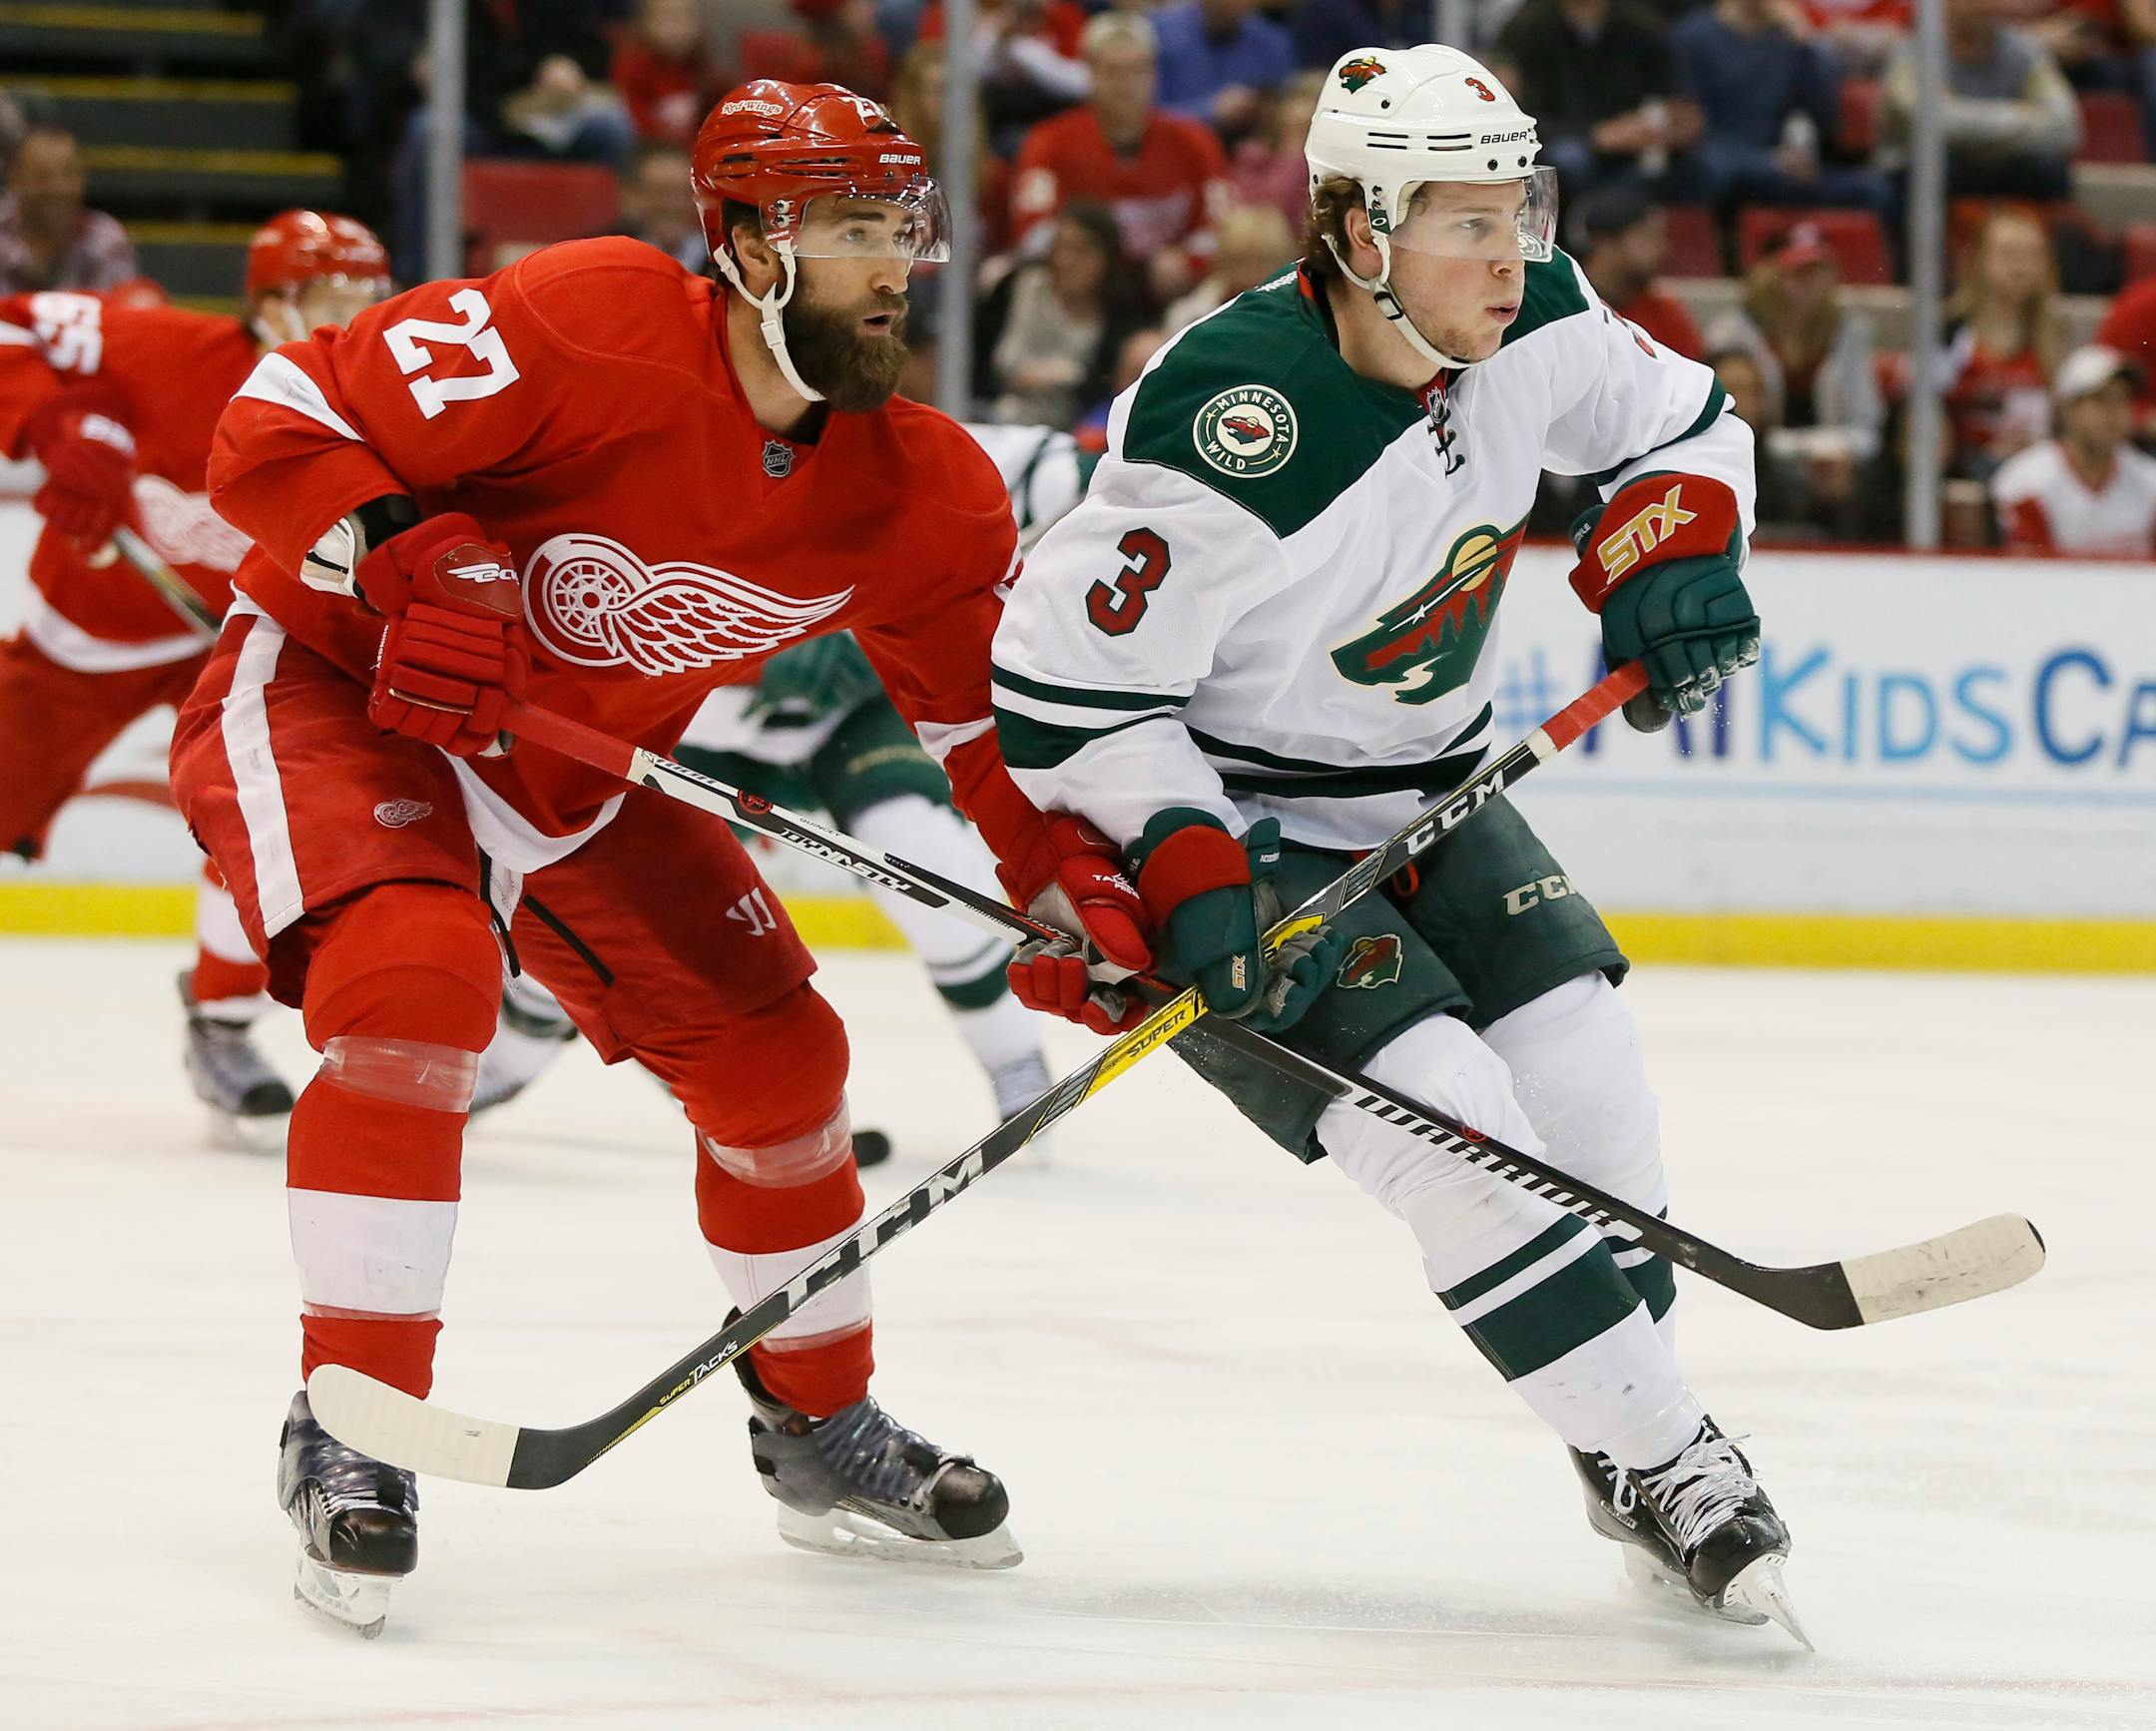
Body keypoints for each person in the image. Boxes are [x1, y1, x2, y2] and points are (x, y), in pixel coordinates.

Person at [172, 82, 1149, 1636]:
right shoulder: (589, 318)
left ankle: (821, 1426)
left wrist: (1071, 891)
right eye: (850, 230)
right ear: (750, 242)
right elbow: (276, 422)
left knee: (783, 1065)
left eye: (906, 228)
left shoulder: (920, 487)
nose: (895, 264)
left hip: (568, 767)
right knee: (417, 996)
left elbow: (983, 740)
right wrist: (404, 543)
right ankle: (355, 1427)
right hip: (344, 696)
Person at [991, 44, 1803, 1645]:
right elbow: (1058, 691)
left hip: (1434, 787)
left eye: (1519, 209)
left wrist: (1673, 543)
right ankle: (1674, 1456)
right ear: (1357, 231)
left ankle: (1616, 1432)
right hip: (1246, 815)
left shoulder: (1541, 315)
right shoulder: (1237, 423)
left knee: (1602, 1129)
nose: (1510, 253)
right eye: (1462, 220)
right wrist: (1180, 856)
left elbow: (1690, 424)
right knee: (1456, 1133)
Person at [0, 213, 390, 1150]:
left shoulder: (384, 396)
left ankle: (218, 1024)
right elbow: (11, 323)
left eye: (369, 302)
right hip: (90, 628)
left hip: (254, 643)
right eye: (329, 302)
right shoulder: (163, 346)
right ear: (266, 305)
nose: (353, 323)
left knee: (260, 823)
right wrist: (56, 422)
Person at [1009, 11, 1232, 305]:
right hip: (1076, 296)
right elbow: (1031, 233)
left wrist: (1188, 261)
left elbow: (1220, 226)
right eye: (1113, 71)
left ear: (1154, 74)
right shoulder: (1048, 142)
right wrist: (1089, 260)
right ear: (1090, 73)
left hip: (1172, 291)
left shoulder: (1196, 141)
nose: (1126, 84)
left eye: (1137, 70)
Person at [1705, 223, 1884, 525]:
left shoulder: (1851, 334)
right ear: (1769, 275)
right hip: (1758, 461)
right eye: (1798, 273)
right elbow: (1730, 426)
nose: (1809, 284)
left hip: (1837, 464)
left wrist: (1828, 450)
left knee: (1856, 481)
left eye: (1818, 271)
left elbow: (1868, 427)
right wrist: (1807, 449)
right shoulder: (1733, 334)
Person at [1669, 0, 1894, 223]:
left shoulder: (1789, 40)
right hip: (1720, 159)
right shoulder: (1693, 36)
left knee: (1872, 190)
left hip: (1782, 164)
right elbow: (1689, 125)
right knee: (1715, 173)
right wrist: (1765, 162)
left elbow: (1827, 119)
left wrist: (1808, 43)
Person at [1490, 0, 1701, 202]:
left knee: (1685, 165)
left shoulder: (1640, 24)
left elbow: (1671, 94)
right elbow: (1516, 112)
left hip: (1635, 138)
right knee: (1569, 159)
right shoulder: (1526, 29)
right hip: (1558, 138)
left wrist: (1660, 123)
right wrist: (1595, 135)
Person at [1879, 0, 2080, 201]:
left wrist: (1955, 115)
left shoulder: (2025, 50)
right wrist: (2021, 113)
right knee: (1931, 165)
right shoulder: (1913, 52)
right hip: (1934, 173)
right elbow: (1924, 120)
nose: (1994, 6)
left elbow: (2065, 127)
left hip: (2002, 164)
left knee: (2049, 167)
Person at [981, 203, 1148, 425]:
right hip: (994, 415)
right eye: (1060, 247)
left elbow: (1106, 387)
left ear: (1106, 260)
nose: (1066, 260)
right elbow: (981, 361)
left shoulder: (1118, 316)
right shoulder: (1016, 287)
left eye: (1081, 251)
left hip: (1074, 429)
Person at [1990, 343, 2156, 555]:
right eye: (2101, 400)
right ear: (2066, 409)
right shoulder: (2025, 484)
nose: (2115, 412)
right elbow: (2029, 577)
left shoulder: (2150, 482)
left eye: (2123, 399)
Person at [1939, 205, 2063, 479]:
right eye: (2008, 254)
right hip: (1963, 473)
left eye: (2033, 256)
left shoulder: (2054, 341)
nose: (2021, 266)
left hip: (2033, 473)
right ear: (1979, 261)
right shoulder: (1950, 334)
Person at [0, 127, 138, 295]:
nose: (58, 187)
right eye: (42, 176)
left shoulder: (106, 241)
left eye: (69, 174)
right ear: (15, 179)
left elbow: (119, 316)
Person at [1573, 185, 1705, 360]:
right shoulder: (1567, 302)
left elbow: (1693, 379)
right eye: (1646, 237)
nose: (1661, 248)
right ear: (1604, 243)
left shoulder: (1664, 312)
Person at [1148, 0, 1298, 137]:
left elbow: (1286, 108)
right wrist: (1210, 109)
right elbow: (1145, 115)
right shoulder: (1158, 34)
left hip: (1253, 150)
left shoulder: (1272, 42)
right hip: (1179, 146)